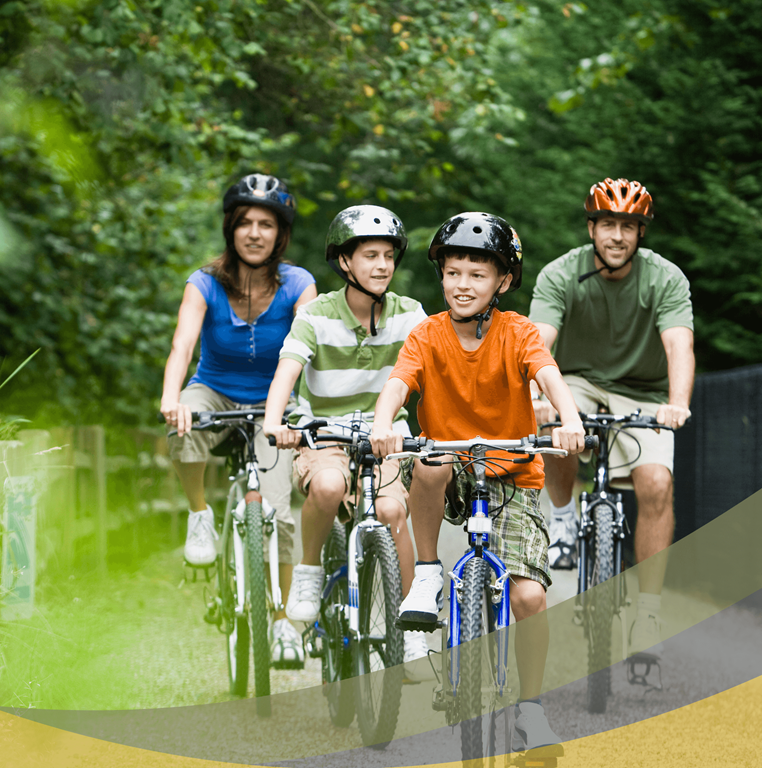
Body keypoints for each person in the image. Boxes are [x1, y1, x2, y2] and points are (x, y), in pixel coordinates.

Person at [370, 212, 585, 755]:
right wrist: (381, 423)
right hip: (453, 467)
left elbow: (547, 373)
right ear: (440, 275)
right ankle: (425, 574)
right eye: (453, 272)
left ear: (503, 282)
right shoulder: (428, 334)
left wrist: (569, 416)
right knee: (430, 459)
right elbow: (398, 384)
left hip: (511, 472)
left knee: (531, 596)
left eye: (477, 274)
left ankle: (531, 711)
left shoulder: (519, 332)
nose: (462, 285)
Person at [528, 178, 694, 662]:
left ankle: (648, 613)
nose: (617, 236)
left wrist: (677, 402)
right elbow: (539, 342)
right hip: (575, 380)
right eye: (607, 224)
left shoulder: (665, 278)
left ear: (641, 233)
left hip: (643, 391)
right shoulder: (561, 273)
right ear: (591, 228)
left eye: (628, 225)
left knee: (656, 484)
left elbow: (678, 344)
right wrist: (539, 397)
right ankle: (561, 520)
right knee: (555, 429)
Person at [263, 204, 431, 679]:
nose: (382, 265)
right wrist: (277, 422)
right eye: (370, 255)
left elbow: (439, 368)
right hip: (323, 434)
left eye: (389, 256)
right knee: (330, 486)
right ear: (344, 262)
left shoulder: (409, 313)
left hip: (385, 436)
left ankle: (411, 630)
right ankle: (310, 573)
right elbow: (287, 373)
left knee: (395, 510)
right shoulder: (316, 316)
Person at [160, 173, 317, 667]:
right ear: (231, 228)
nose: (254, 232)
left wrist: (306, 415)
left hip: (274, 405)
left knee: (278, 514)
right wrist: (173, 397)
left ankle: (282, 622)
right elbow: (183, 344)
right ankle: (200, 514)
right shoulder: (204, 282)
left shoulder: (298, 284)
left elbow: (312, 350)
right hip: (217, 392)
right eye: (245, 222)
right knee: (185, 425)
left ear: (280, 233)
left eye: (266, 224)